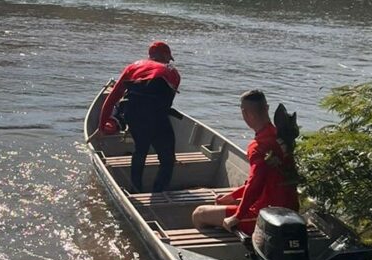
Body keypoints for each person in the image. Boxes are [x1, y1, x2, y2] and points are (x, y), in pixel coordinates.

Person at [191, 90, 299, 234]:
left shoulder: (258, 146)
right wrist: (232, 196)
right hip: (290, 210)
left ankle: (229, 243)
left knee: (199, 214)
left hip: (268, 217)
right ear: (267, 108)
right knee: (227, 203)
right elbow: (262, 179)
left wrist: (237, 217)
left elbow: (255, 183)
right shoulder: (280, 136)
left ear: (245, 113)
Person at [98, 41, 181, 193]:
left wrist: (101, 126)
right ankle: (159, 191)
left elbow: (112, 98)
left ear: (150, 55)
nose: (169, 62)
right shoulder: (173, 72)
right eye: (168, 58)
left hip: (133, 113)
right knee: (167, 158)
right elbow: (167, 102)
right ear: (165, 56)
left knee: (141, 150)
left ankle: (135, 189)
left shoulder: (133, 67)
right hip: (156, 114)